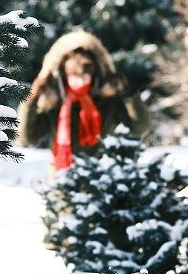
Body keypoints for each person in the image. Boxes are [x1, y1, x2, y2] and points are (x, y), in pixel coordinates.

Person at [18, 30, 150, 170]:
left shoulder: (108, 103)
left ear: (95, 73)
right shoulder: (55, 105)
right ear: (64, 75)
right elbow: (26, 138)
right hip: (62, 180)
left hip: (101, 178)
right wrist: (32, 98)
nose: (80, 78)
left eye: (86, 72)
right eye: (74, 73)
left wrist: (127, 93)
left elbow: (140, 127)